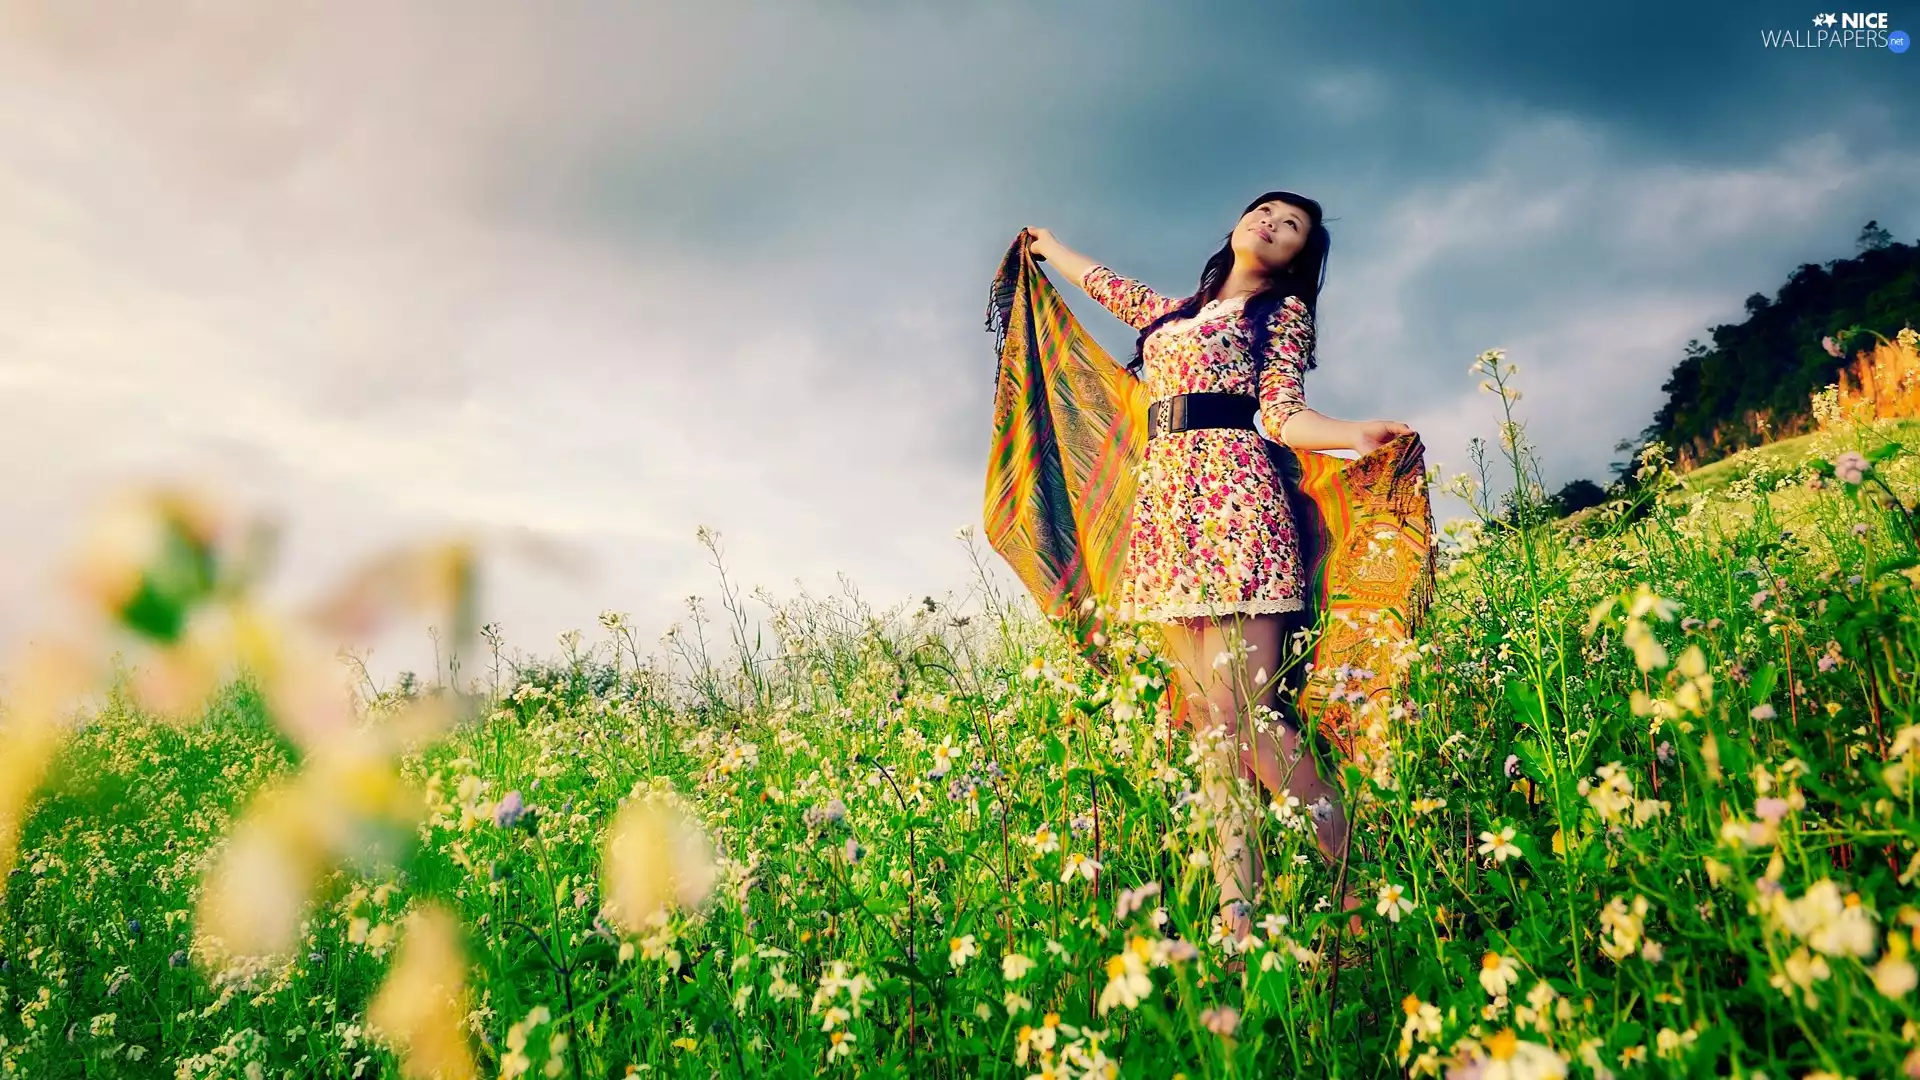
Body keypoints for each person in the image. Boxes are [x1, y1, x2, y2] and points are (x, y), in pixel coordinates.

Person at [1020, 192, 1415, 948]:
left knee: (1251, 718)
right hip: (1170, 516)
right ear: (1237, 226)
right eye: (1263, 211)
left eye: (1290, 225)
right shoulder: (1172, 316)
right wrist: (1048, 247)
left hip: (1238, 503)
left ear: (1299, 256)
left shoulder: (1281, 317)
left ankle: (1357, 878)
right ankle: (1238, 926)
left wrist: (1352, 433)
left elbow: (1283, 414)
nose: (1271, 223)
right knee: (1210, 733)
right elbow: (1107, 286)